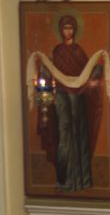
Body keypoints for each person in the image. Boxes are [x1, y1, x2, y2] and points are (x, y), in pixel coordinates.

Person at [37, 14, 104, 193]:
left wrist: (97, 70)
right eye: (65, 28)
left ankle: (82, 181)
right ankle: (63, 180)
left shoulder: (78, 51)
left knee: (79, 135)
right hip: (61, 96)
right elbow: (51, 72)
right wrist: (44, 68)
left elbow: (88, 73)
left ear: (74, 30)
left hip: (78, 96)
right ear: (60, 30)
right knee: (64, 136)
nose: (67, 31)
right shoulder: (58, 51)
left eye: (70, 28)